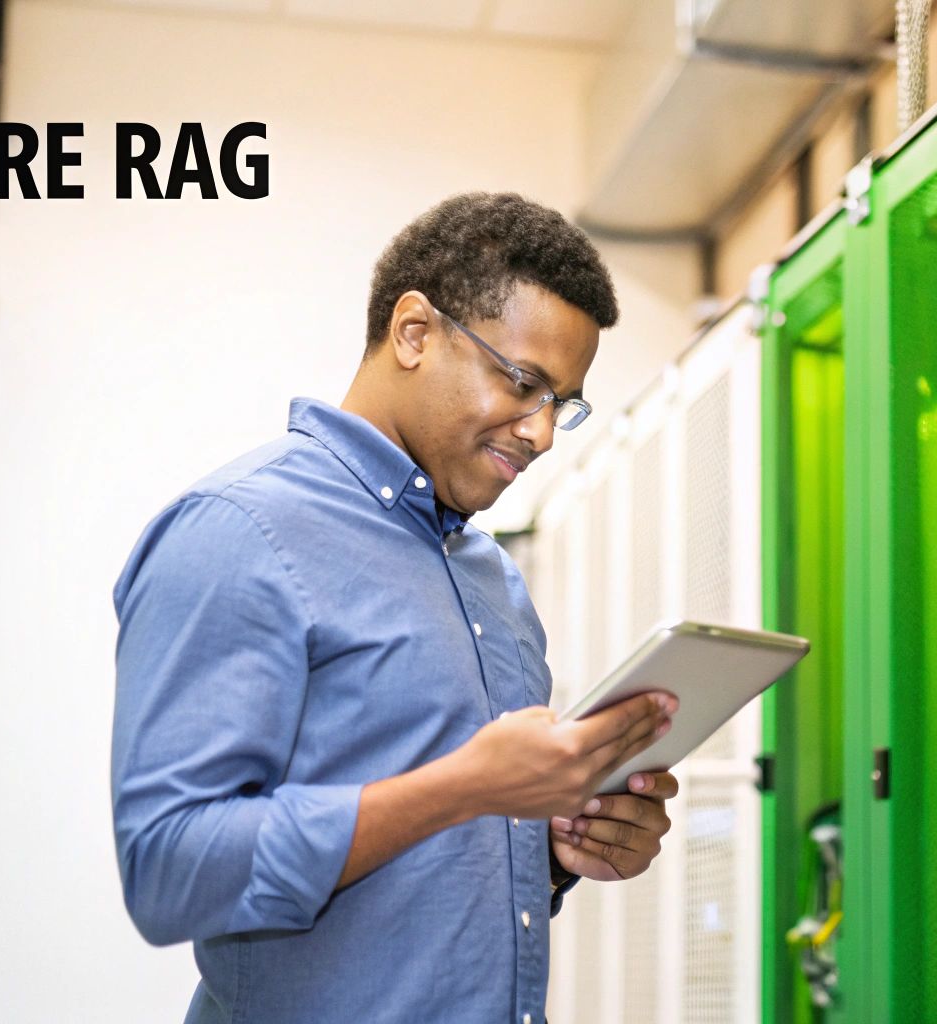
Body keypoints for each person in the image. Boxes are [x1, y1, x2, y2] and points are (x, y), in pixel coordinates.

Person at [110, 192, 679, 1023]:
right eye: (524, 383)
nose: (544, 433)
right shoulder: (240, 531)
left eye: (564, 402)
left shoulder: (490, 577)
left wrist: (553, 851)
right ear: (414, 332)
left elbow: (430, 888)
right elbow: (170, 872)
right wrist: (463, 788)